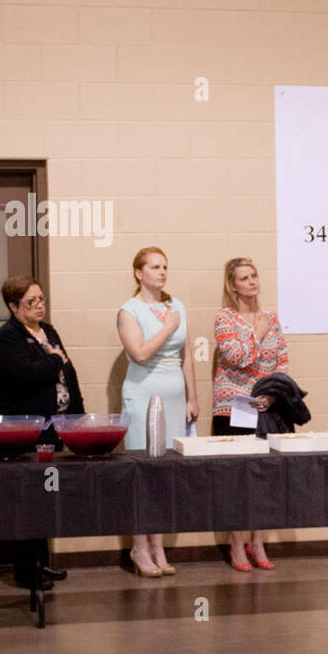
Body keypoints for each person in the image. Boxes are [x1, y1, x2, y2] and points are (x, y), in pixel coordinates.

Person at [0, 276, 85, 589]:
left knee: (46, 498)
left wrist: (77, 416)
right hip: (27, 428)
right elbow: (23, 377)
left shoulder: (48, 330)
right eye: (32, 301)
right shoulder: (8, 338)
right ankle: (26, 570)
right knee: (27, 500)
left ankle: (42, 562)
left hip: (56, 426)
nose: (40, 305)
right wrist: (54, 359)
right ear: (14, 307)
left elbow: (68, 372)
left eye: (41, 299)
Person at [117, 247, 199, 576]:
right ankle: (139, 547)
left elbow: (187, 354)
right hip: (143, 395)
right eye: (154, 267)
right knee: (143, 471)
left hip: (175, 394)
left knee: (166, 473)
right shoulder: (129, 310)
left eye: (165, 266)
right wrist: (167, 327)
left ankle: (158, 546)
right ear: (139, 272)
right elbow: (139, 353)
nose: (162, 272)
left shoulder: (176, 305)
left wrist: (193, 396)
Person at [213, 257, 289, 570]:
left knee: (264, 479)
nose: (252, 282)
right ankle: (236, 544)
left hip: (265, 409)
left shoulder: (271, 319)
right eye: (244, 278)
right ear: (233, 285)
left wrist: (273, 395)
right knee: (237, 480)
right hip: (233, 409)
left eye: (254, 276)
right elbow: (236, 357)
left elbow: (282, 362)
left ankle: (258, 541)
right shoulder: (224, 319)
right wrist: (255, 334)